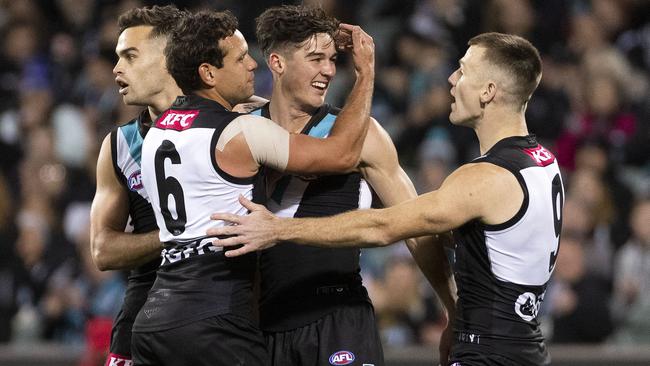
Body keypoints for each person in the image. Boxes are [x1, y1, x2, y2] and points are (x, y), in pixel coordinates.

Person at [209, 32, 563, 366]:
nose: (452, 80)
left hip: (488, 351)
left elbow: (383, 226)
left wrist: (278, 230)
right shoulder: (542, 162)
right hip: (524, 346)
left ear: (488, 91)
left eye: (463, 71)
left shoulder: (484, 178)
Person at [132, 10, 375, 366]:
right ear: (208, 72)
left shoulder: (157, 131)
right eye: (240, 58)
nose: (252, 65)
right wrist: (366, 73)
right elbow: (341, 154)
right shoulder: (242, 132)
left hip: (154, 318)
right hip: (215, 318)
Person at [248, 5, 455, 366]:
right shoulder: (242, 130)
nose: (328, 70)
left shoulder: (363, 134)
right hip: (261, 327)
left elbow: (418, 228)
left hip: (338, 318)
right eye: (315, 58)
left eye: (331, 59)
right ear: (277, 63)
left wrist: (454, 311)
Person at [89, 5, 186, 366]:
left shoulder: (231, 126)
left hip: (219, 315)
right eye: (117, 58)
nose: (116, 69)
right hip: (141, 312)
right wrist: (176, 234)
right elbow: (102, 249)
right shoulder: (119, 144)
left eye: (130, 56)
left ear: (169, 58)